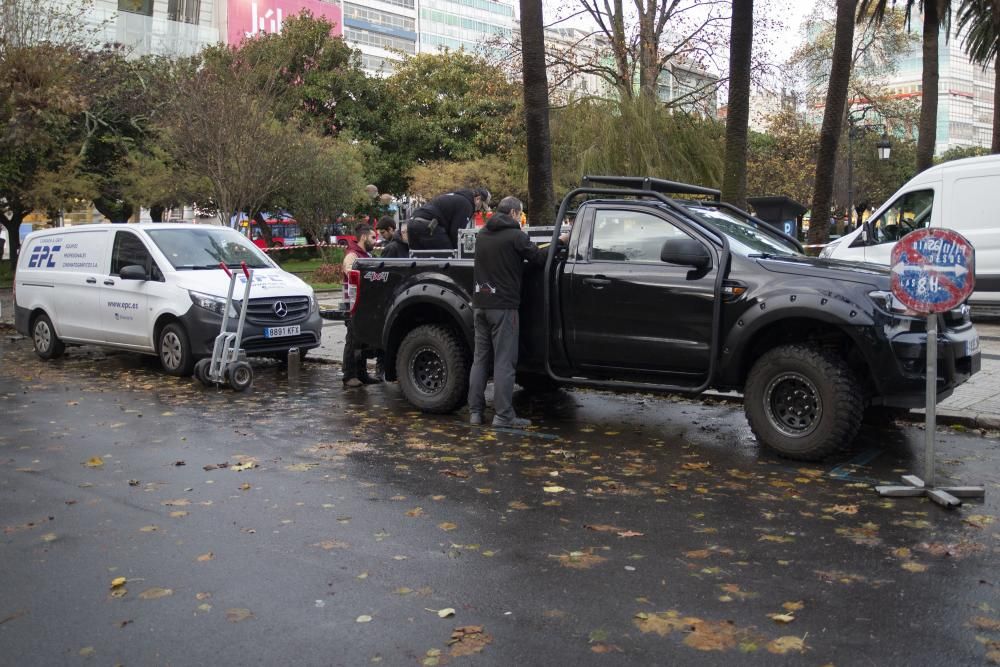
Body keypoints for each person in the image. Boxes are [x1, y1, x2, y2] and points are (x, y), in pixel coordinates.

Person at [467, 196, 547, 428]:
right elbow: (538, 257)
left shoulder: (482, 234)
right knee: (504, 362)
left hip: (480, 304)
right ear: (513, 213)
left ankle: (475, 412)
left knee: (480, 360)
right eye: (520, 214)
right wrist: (559, 242)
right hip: (504, 308)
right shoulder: (515, 236)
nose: (521, 219)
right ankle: (503, 415)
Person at [342, 224, 378, 388]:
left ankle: (362, 374)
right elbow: (351, 275)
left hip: (364, 304)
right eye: (372, 237)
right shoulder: (352, 255)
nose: (375, 240)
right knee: (353, 340)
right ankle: (349, 375)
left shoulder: (365, 254)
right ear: (363, 237)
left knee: (362, 340)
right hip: (354, 304)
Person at [408, 188, 490, 251]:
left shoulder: (456, 197)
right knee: (449, 257)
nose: (480, 210)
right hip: (429, 226)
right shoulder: (466, 204)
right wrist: (457, 252)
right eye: (482, 206)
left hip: (412, 223)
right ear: (478, 199)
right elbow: (456, 233)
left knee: (419, 261)